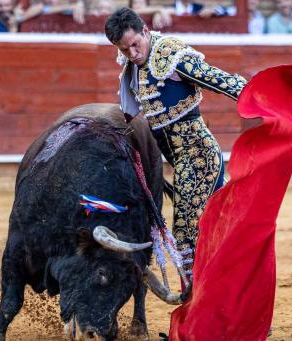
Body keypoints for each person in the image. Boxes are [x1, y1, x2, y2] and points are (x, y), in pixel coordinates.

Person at [104, 8, 247, 278]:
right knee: (198, 233)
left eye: (135, 45)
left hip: (199, 156)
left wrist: (258, 97)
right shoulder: (133, 65)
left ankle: (209, 299)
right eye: (125, 50)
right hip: (179, 160)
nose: (132, 54)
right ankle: (210, 297)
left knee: (188, 234)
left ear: (146, 31)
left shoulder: (170, 55)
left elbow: (220, 80)